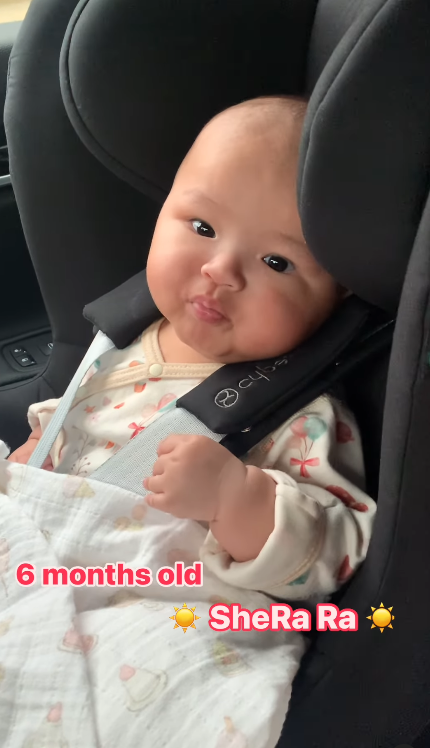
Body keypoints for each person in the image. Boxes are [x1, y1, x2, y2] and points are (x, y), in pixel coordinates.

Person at [7, 94, 375, 597]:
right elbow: (87, 418)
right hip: (46, 561)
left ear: (339, 288)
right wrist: (40, 448)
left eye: (277, 262)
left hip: (156, 606)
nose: (220, 270)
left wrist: (234, 500)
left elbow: (336, 555)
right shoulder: (128, 334)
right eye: (203, 228)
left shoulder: (301, 413)